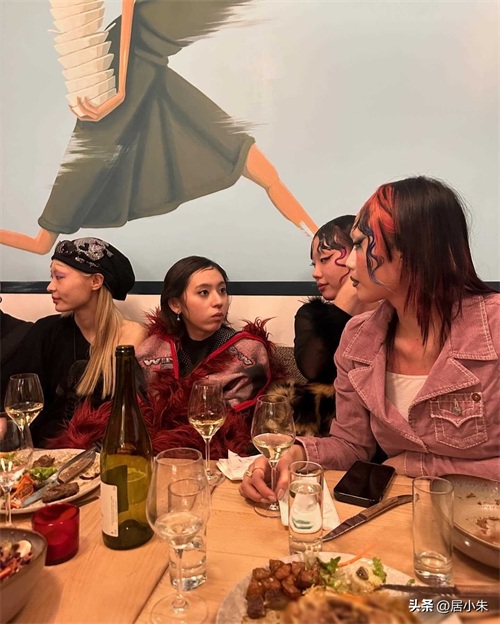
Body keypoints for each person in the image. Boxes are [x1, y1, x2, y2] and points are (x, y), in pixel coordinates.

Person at [240, 176, 500, 504]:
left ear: (414, 248)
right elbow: (351, 446)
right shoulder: (358, 338)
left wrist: (415, 464)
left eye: (361, 244)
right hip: (402, 511)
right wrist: (294, 453)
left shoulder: (493, 326)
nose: (349, 261)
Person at [0, 0, 317, 255]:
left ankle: (320, 238)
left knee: (256, 164)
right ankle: (320, 239)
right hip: (121, 70)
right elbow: (129, 13)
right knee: (44, 239)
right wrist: (119, 91)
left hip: (149, 71)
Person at [54, 255, 275, 458]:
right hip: (152, 456)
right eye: (204, 293)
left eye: (222, 290)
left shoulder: (247, 351)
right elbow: (136, 413)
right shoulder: (153, 348)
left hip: (217, 458)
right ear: (175, 304)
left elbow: (230, 428)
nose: (219, 301)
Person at [1, 237, 146, 446]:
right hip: (47, 455)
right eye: (51, 277)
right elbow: (16, 396)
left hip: (111, 454)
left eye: (59, 277)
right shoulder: (46, 332)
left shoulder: (135, 337)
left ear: (96, 281)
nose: (50, 286)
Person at [294, 215, 375, 383]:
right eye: (314, 264)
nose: (315, 273)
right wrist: (347, 296)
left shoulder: (391, 311)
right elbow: (312, 369)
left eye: (324, 259)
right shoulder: (312, 315)